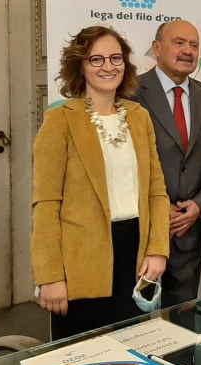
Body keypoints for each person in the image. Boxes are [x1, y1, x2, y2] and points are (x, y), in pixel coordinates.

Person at [32, 26, 169, 341]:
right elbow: (46, 203)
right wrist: (50, 276)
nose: (108, 67)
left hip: (136, 256)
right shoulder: (60, 120)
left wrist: (157, 249)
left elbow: (156, 193)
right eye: (96, 59)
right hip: (81, 261)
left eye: (115, 58)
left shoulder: (139, 117)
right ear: (80, 65)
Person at [132, 20, 201, 308]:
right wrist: (158, 208)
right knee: (132, 317)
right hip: (141, 227)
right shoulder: (130, 92)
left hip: (188, 227)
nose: (187, 51)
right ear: (156, 48)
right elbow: (125, 163)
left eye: (194, 45)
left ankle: (180, 357)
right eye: (179, 43)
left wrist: (199, 206)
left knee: (182, 315)